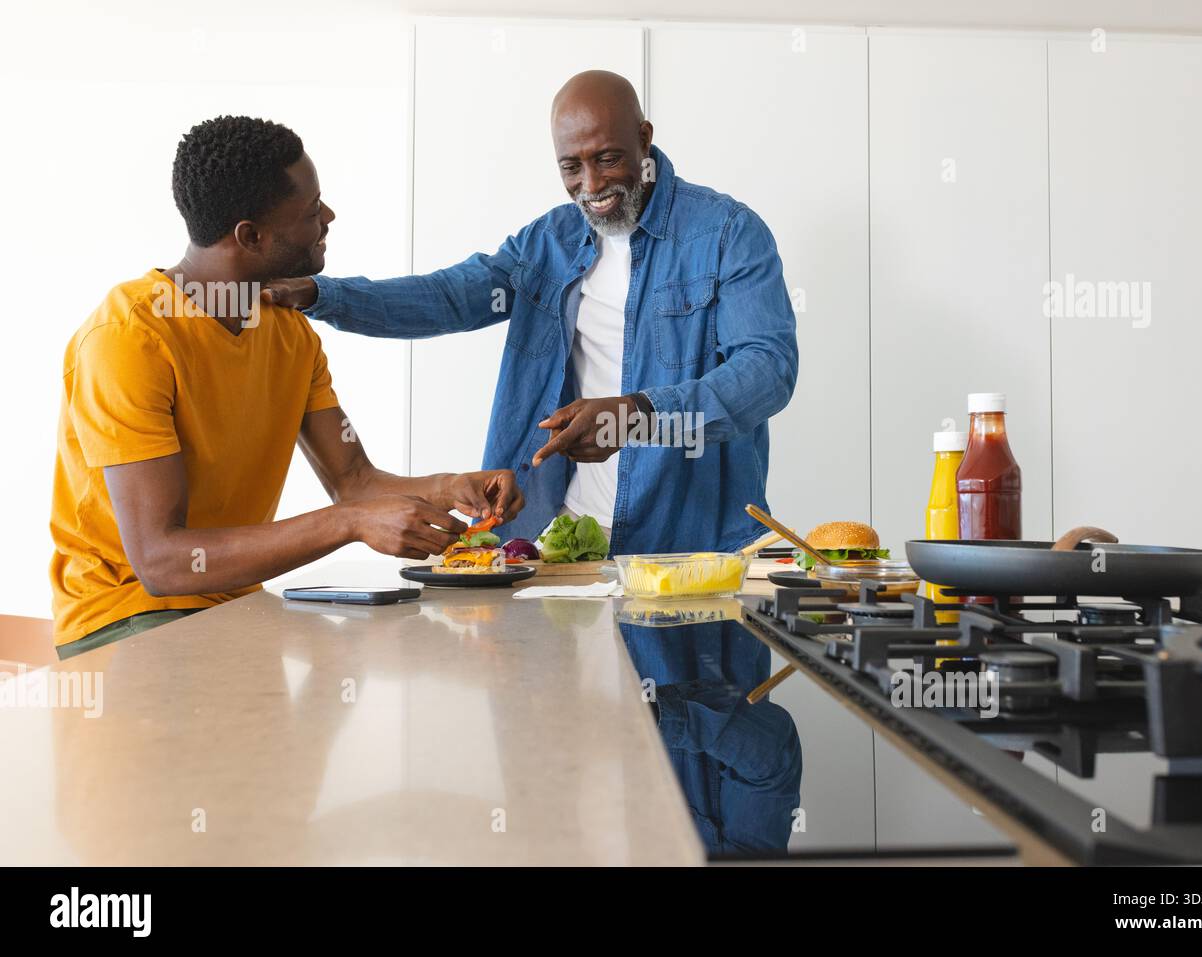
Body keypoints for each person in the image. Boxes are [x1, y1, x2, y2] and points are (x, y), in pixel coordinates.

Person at [264, 71, 798, 555]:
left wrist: (635, 414)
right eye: (572, 166)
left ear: (644, 139)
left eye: (608, 158)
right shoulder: (548, 242)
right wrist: (320, 295)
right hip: (561, 537)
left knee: (690, 669)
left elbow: (768, 370)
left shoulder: (727, 232)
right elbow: (447, 297)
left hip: (690, 541)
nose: (591, 187)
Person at [49, 115, 522, 659]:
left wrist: (450, 487)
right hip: (125, 618)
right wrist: (348, 524)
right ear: (250, 235)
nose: (328, 217)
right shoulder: (129, 339)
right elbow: (161, 563)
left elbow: (356, 482)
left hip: (233, 606)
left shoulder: (288, 331)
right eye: (309, 209)